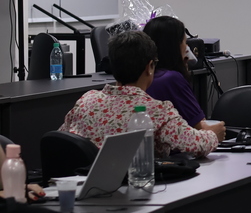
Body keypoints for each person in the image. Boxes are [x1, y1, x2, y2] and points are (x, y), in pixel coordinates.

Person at [60, 31, 222, 158]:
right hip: (135, 188)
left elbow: (63, 138)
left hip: (83, 186)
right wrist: (213, 135)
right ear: (150, 67)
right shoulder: (156, 110)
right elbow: (196, 145)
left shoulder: (86, 100)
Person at [143, 16, 226, 141]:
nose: (187, 48)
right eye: (185, 42)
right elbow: (199, 127)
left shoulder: (145, 78)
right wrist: (217, 130)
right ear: (175, 46)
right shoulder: (171, 79)